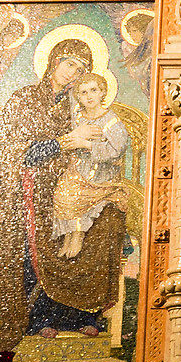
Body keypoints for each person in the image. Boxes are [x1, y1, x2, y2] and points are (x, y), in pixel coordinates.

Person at [0, 33, 130, 350]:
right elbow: (9, 151)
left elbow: (106, 146)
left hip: (69, 185)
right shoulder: (24, 98)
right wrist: (65, 142)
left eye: (80, 69)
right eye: (68, 63)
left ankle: (80, 315)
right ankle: (39, 317)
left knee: (107, 223)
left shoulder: (75, 107)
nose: (72, 72)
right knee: (39, 233)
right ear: (53, 61)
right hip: (25, 189)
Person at [50, 73, 129, 259]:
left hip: (101, 175)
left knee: (76, 195)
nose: (89, 96)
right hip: (78, 169)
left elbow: (117, 149)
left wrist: (87, 144)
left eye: (93, 90)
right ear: (78, 96)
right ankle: (68, 236)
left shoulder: (110, 120)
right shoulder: (78, 117)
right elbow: (68, 142)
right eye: (83, 92)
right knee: (62, 192)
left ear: (102, 92)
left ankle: (78, 235)